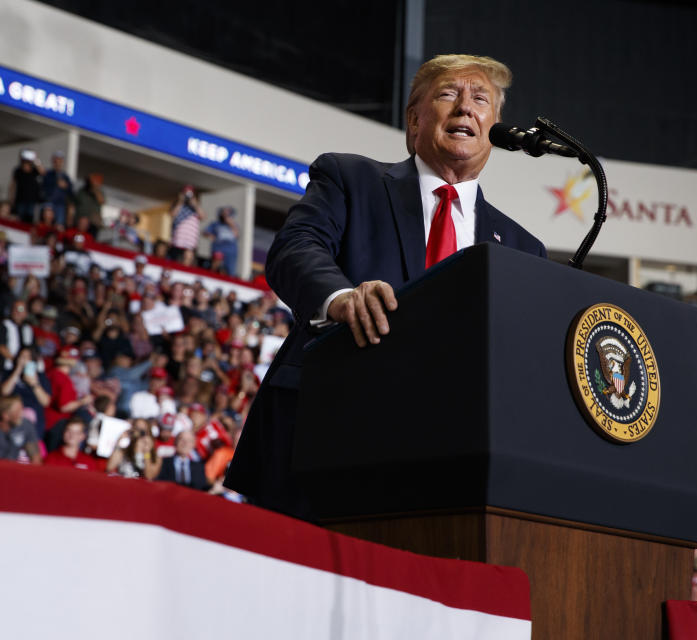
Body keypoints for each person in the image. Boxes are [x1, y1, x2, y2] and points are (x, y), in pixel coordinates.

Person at [225, 54, 546, 519]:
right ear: (414, 120)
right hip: (325, 440)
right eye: (448, 94)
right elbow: (296, 247)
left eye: (481, 100)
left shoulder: (522, 248)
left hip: (449, 470)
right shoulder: (350, 178)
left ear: (494, 128)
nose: (465, 109)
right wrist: (341, 298)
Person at [169, 186, 206, 266]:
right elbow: (172, 214)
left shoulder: (195, 208)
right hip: (177, 242)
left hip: (190, 243)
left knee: (187, 260)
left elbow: (203, 216)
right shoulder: (178, 205)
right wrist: (180, 201)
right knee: (175, 262)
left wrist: (195, 204)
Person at [203, 206, 239, 276]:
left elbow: (236, 235)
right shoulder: (216, 224)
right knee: (216, 264)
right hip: (218, 248)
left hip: (231, 251)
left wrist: (231, 224)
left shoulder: (234, 225)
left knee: (230, 270)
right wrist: (211, 236)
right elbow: (205, 232)